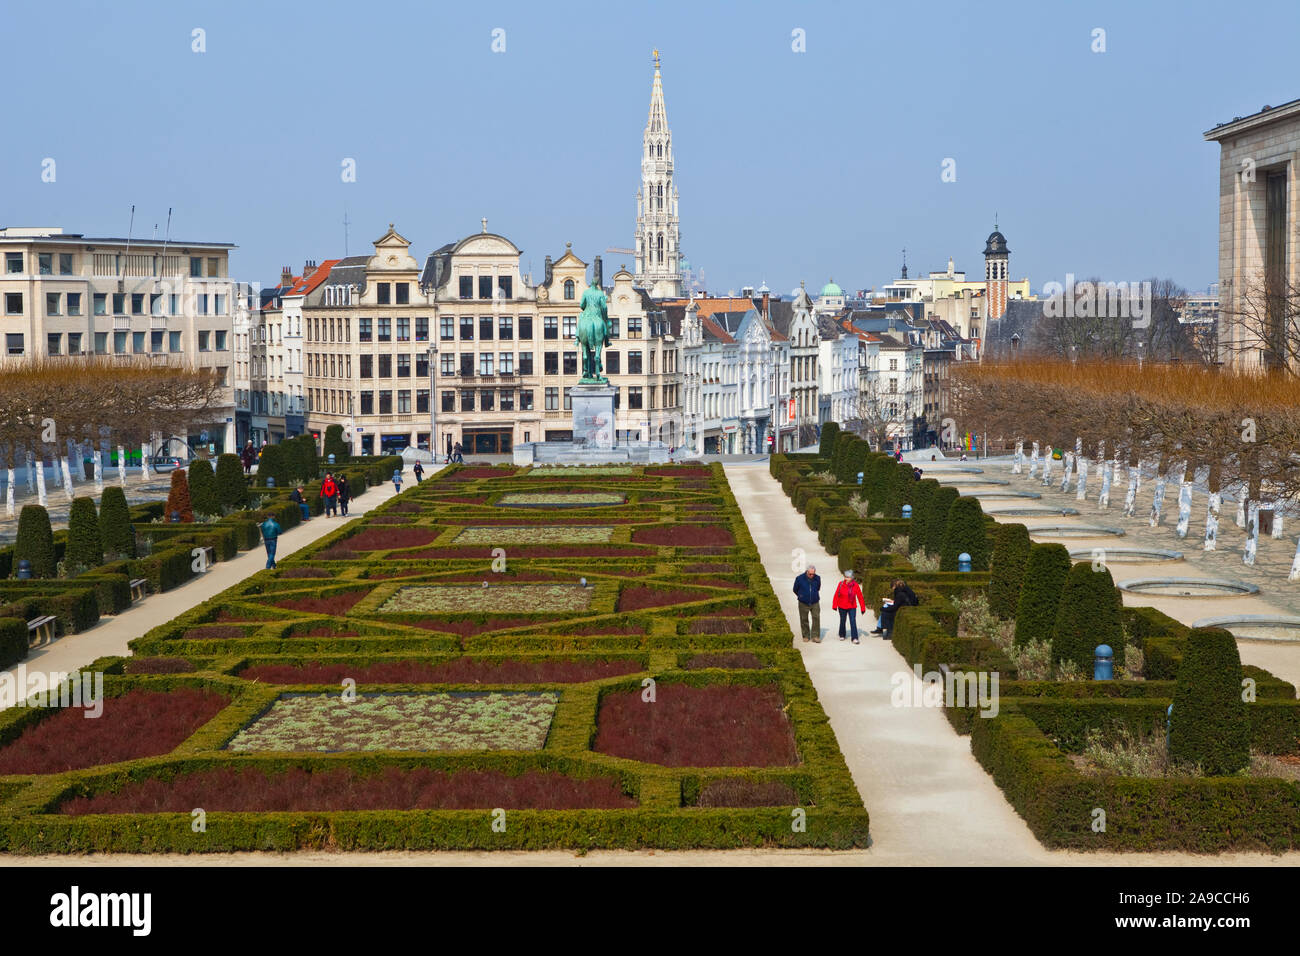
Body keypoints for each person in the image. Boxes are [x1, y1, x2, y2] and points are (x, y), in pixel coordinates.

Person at [832, 569, 867, 643]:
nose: (846, 579)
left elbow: (860, 597)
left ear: (852, 578)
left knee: (853, 621)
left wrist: (863, 608)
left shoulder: (856, 585)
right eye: (845, 577)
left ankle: (854, 638)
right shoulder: (841, 584)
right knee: (842, 620)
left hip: (852, 606)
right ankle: (842, 634)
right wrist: (834, 605)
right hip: (842, 606)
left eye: (848, 577)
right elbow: (836, 595)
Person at [792, 564, 822, 643]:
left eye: (813, 574)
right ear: (807, 572)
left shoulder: (817, 578)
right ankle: (806, 635)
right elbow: (795, 589)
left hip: (815, 602)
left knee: (816, 618)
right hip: (803, 602)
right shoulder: (799, 578)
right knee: (804, 619)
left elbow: (818, 587)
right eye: (810, 574)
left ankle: (815, 636)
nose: (812, 575)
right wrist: (801, 596)